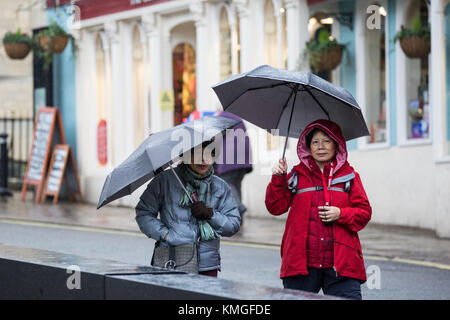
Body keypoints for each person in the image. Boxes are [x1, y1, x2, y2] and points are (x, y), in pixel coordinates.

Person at [265, 119, 372, 299]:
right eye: (315, 142)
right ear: (308, 147)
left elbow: (364, 212)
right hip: (302, 265)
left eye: (326, 141)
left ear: (337, 145)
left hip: (341, 266)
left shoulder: (350, 177)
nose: (320, 146)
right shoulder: (295, 176)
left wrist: (341, 214)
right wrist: (278, 178)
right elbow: (275, 207)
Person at [135, 140, 241, 277]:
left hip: (207, 263)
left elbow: (233, 225)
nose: (203, 160)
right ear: (185, 155)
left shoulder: (220, 186)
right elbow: (144, 213)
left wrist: (211, 214)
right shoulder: (165, 180)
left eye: (209, 154)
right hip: (173, 258)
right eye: (197, 154)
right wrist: (166, 235)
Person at [214, 111, 253, 224]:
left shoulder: (221, 118)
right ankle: (238, 219)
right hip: (243, 159)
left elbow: (215, 140)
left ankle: (239, 207)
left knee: (228, 184)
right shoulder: (238, 118)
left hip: (229, 160)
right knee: (236, 185)